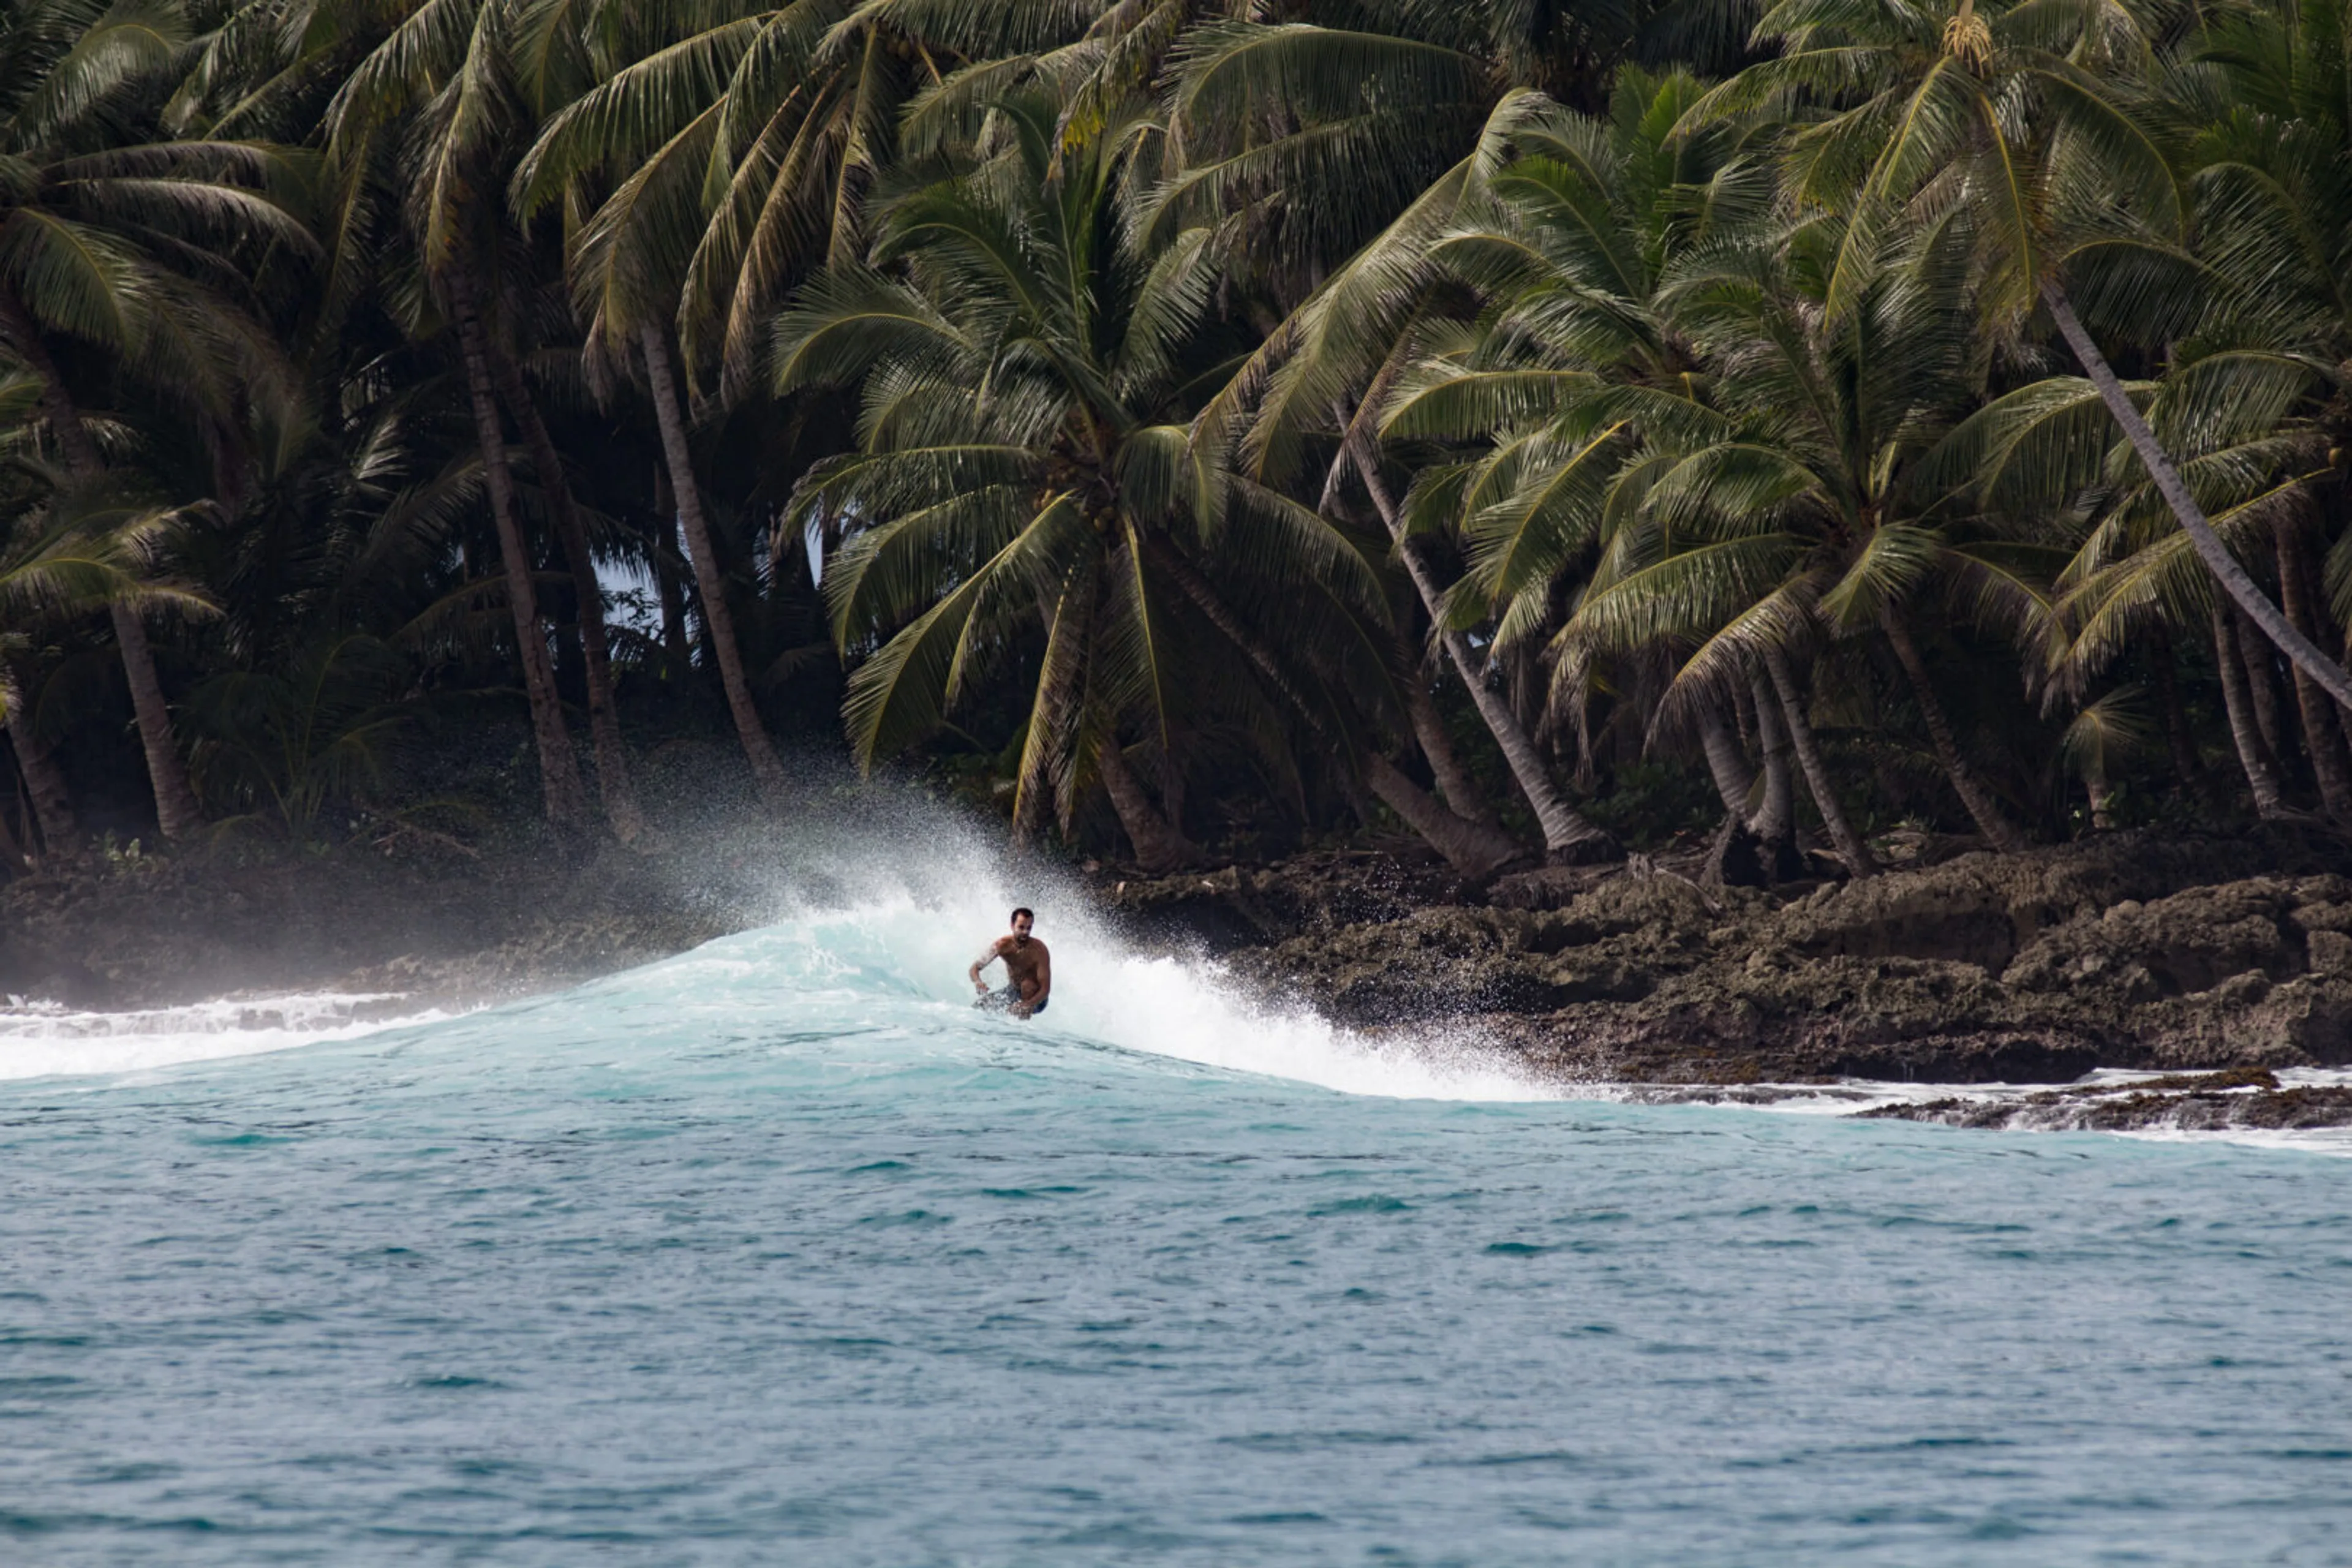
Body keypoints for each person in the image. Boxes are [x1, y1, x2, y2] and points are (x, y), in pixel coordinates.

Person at [970, 907, 1051, 1019]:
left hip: (1037, 999)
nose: (1025, 932)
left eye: (1029, 928)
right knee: (979, 1006)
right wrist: (978, 982)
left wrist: (1026, 1004)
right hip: (1012, 992)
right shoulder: (1002, 945)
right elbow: (975, 968)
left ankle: (1022, 1030)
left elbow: (1045, 989)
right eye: (1021, 927)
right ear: (1012, 926)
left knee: (1027, 985)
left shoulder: (1039, 950)